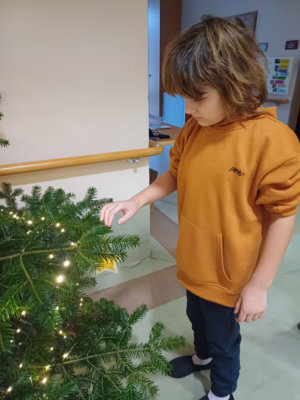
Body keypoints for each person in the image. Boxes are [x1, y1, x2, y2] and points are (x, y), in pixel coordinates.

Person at [100, 15, 300, 400]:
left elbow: (282, 216)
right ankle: (202, 357)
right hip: (192, 258)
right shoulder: (196, 128)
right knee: (197, 320)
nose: (188, 110)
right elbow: (173, 175)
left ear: (234, 83)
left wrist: (259, 285)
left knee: (225, 338)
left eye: (198, 97)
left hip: (229, 274)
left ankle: (222, 392)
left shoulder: (273, 141)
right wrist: (135, 199)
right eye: (184, 98)